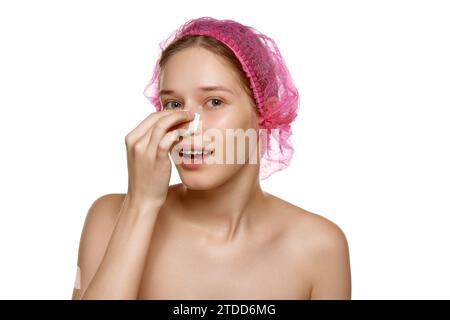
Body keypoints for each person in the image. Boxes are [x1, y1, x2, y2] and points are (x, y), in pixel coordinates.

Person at [72, 17, 351, 300]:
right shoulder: (110, 218)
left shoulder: (319, 248)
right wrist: (140, 206)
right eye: (173, 104)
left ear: (265, 108)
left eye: (214, 102)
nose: (188, 126)